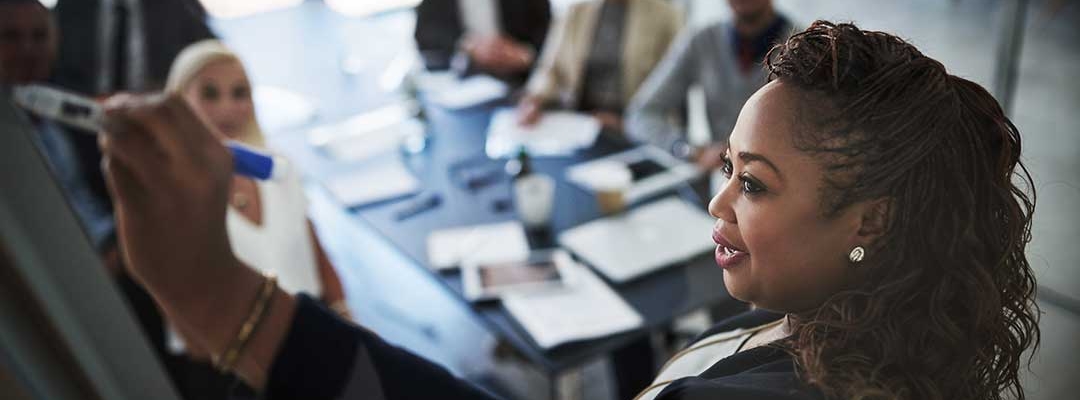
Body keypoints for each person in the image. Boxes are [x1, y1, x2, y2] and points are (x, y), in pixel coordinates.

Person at [99, 21, 1040, 400]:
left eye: (753, 183)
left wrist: (226, 304)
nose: (717, 200)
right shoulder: (853, 337)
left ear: (867, 221)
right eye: (728, 169)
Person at [160, 39, 350, 399]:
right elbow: (185, 324)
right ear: (180, 102)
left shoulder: (278, 168)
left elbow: (312, 245)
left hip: (310, 341)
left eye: (239, 93)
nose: (228, 108)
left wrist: (347, 319)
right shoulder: (170, 195)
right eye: (210, 94)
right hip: (236, 371)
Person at [625, 0, 793, 171]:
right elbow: (641, 114)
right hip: (718, 177)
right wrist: (688, 149)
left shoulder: (803, 49)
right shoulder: (702, 40)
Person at [516, 0, 683, 132]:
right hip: (580, 122)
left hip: (629, 127)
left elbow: (672, 91)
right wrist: (534, 100)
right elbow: (550, 69)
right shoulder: (575, 12)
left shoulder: (666, 16)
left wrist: (625, 124)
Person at [50, 0, 215, 95]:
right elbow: (53, 70)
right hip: (82, 121)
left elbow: (212, 55)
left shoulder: (177, 6)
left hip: (153, 118)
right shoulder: (70, 7)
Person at [413, 0, 551, 86]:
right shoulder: (433, 4)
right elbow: (425, 38)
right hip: (462, 84)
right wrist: (468, 46)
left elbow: (550, 34)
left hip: (521, 81)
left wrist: (526, 55)